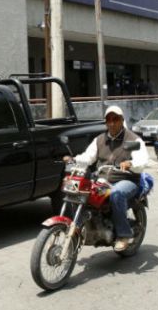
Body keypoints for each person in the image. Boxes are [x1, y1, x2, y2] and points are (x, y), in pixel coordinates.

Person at [63, 105, 149, 252]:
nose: (111, 123)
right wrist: (74, 159)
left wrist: (131, 163)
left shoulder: (131, 140)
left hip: (127, 180)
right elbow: (88, 157)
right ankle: (82, 227)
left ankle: (123, 235)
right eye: (108, 119)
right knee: (79, 191)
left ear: (122, 120)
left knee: (117, 193)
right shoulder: (100, 140)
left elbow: (142, 160)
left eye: (115, 119)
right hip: (102, 179)